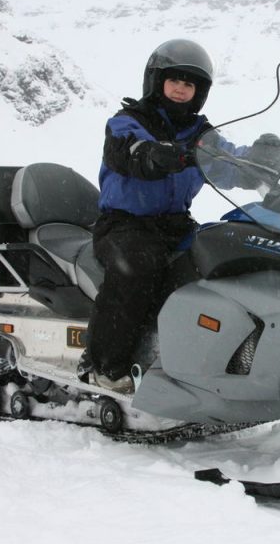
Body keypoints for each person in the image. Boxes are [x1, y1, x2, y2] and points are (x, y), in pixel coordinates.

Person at [81, 38, 219, 393]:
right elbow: (129, 153)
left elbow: (229, 160)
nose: (180, 89)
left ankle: (195, 363)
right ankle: (105, 367)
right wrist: (155, 155)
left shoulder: (201, 134)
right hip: (125, 225)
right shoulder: (127, 122)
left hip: (174, 226)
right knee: (137, 270)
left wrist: (266, 159)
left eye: (189, 84)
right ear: (157, 81)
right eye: (174, 80)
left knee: (215, 262)